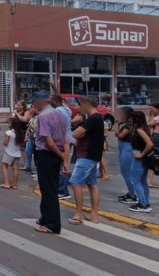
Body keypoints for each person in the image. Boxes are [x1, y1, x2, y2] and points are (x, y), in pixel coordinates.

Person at [33, 96, 70, 234]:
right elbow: (66, 139)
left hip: (47, 154)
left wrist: (62, 157)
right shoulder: (60, 115)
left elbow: (48, 142)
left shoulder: (43, 117)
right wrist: (64, 159)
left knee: (49, 190)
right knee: (48, 187)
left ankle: (53, 224)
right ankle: (45, 217)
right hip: (56, 153)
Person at [68, 97, 105, 225]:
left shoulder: (92, 118)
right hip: (93, 156)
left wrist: (79, 132)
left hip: (86, 155)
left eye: (80, 105)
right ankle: (94, 213)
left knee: (75, 182)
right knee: (91, 183)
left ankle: (78, 214)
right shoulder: (98, 118)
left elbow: (76, 133)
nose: (79, 108)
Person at [129, 111, 154, 213]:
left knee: (135, 180)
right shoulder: (145, 128)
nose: (130, 120)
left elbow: (150, 144)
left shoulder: (139, 130)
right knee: (142, 180)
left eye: (132, 118)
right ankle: (145, 202)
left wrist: (141, 154)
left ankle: (142, 204)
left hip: (139, 156)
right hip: (144, 158)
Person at [50, 94, 73, 200]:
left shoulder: (58, 111)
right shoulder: (66, 109)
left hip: (62, 140)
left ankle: (63, 190)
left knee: (62, 165)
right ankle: (63, 187)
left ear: (55, 101)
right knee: (64, 164)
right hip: (68, 138)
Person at [114, 107, 138, 204]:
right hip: (125, 148)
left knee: (126, 172)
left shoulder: (129, 126)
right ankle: (131, 192)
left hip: (127, 149)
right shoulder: (130, 124)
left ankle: (132, 195)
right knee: (127, 172)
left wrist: (117, 125)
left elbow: (119, 135)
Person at [0, 116, 25, 190]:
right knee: (15, 167)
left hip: (9, 152)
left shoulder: (9, 132)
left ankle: (6, 183)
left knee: (4, 166)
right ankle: (15, 184)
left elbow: (5, 143)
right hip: (17, 153)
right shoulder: (20, 133)